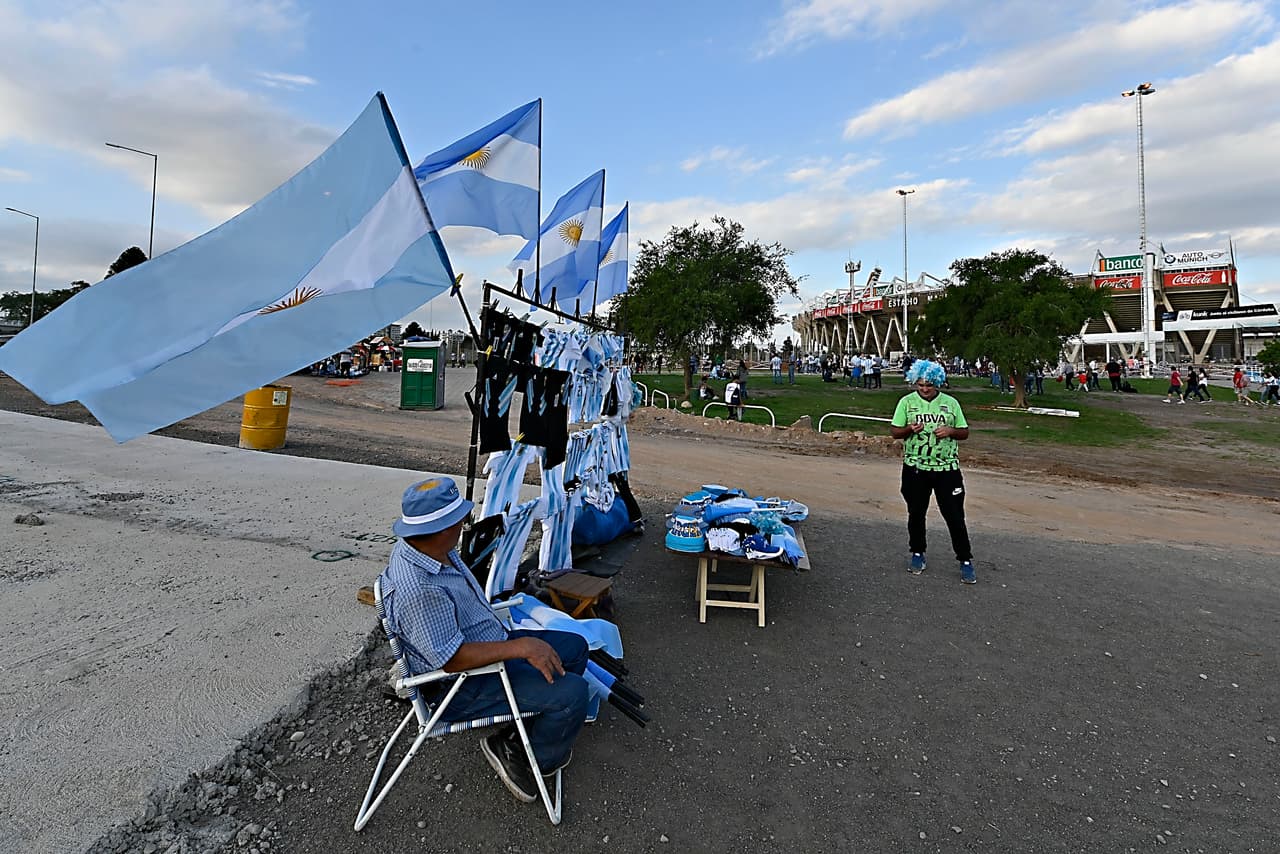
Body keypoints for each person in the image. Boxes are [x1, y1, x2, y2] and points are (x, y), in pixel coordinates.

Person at [378, 478, 589, 803]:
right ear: (441, 528)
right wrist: (521, 647)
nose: (466, 523)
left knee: (575, 648)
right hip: (461, 685)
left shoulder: (431, 549)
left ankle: (530, 724)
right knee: (573, 694)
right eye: (459, 519)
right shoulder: (419, 590)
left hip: (488, 644)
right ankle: (524, 751)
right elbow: (452, 660)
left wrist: (517, 644)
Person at [889, 360, 976, 584]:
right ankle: (917, 553)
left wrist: (950, 431)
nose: (925, 389)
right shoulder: (907, 403)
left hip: (947, 469)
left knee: (955, 516)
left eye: (929, 384)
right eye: (920, 385)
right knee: (916, 513)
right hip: (916, 468)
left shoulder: (951, 403)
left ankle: (965, 559)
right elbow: (895, 432)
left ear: (937, 382)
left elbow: (965, 432)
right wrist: (910, 429)